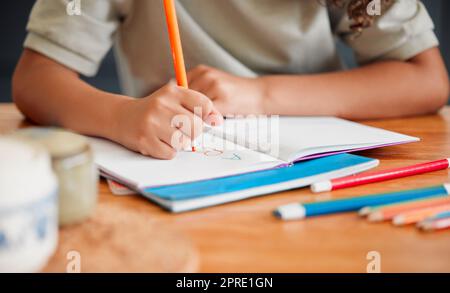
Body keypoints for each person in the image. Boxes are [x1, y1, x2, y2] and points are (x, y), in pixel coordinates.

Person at [13, 0, 449, 159]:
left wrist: (262, 94)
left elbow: (426, 78)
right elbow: (35, 78)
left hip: (318, 166)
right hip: (171, 165)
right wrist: (121, 117)